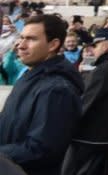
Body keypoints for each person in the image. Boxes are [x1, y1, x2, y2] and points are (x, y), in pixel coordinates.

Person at [0, 14, 83, 175]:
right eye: (21, 38)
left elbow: (41, 149)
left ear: (53, 45)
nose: (21, 45)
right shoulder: (30, 76)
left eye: (31, 39)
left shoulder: (57, 90)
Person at [62, 27, 108, 175]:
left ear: (106, 46)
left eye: (95, 46)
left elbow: (82, 104)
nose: (93, 51)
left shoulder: (103, 71)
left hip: (87, 142)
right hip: (105, 140)